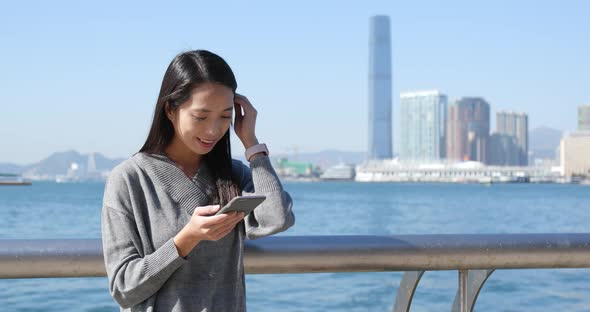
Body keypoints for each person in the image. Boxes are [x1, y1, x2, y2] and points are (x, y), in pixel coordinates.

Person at [101, 50, 295, 312]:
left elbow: (276, 219)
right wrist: (186, 239)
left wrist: (252, 145)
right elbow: (123, 288)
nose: (214, 130)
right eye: (201, 117)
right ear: (170, 109)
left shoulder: (234, 174)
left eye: (225, 116)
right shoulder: (129, 179)